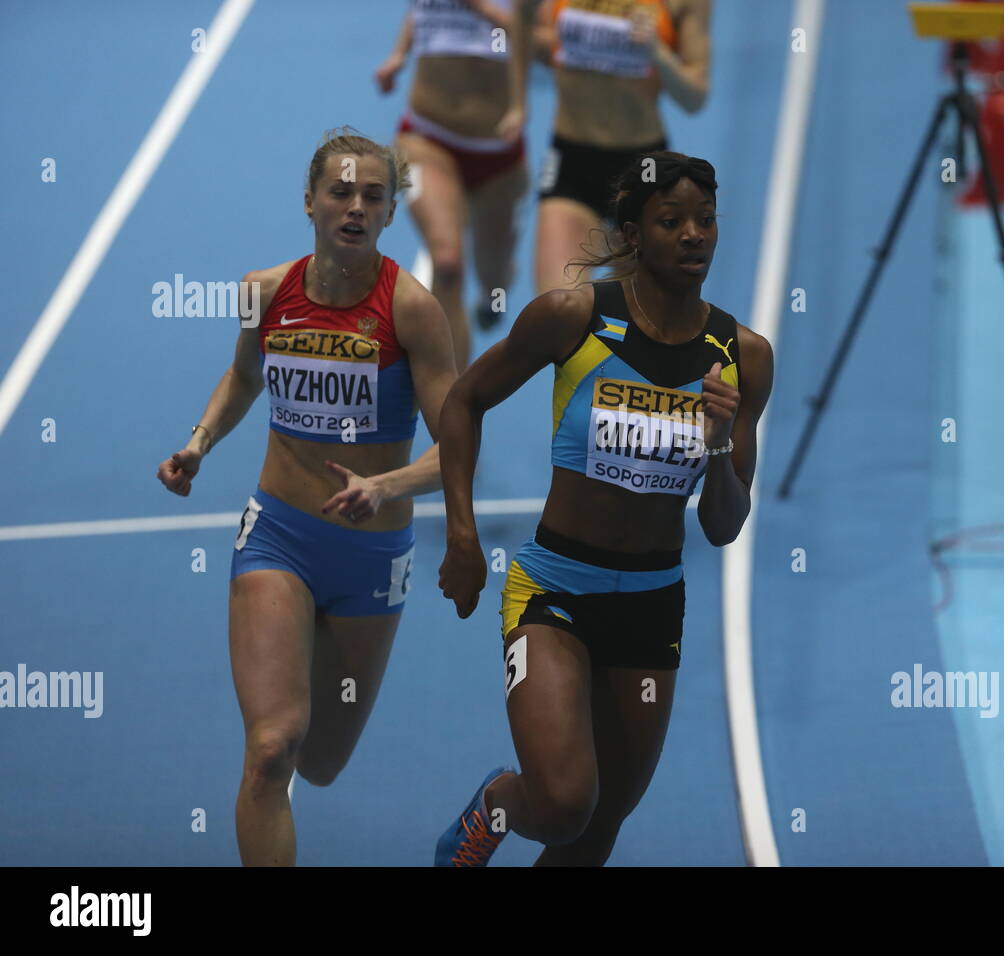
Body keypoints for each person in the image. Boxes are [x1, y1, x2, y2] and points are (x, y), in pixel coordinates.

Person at [434, 151, 773, 866]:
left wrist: (716, 448)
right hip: (556, 589)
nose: (694, 236)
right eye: (671, 220)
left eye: (706, 221)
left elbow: (722, 526)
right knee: (561, 805)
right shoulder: (574, 317)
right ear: (631, 233)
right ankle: (497, 802)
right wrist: (462, 538)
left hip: (652, 604)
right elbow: (464, 401)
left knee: (596, 832)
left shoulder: (743, 356)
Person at [156, 129, 457, 866]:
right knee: (271, 749)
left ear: (390, 212)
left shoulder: (411, 311)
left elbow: (460, 449)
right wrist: (198, 441)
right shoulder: (266, 292)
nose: (355, 206)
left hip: (372, 555)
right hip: (278, 536)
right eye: (340, 192)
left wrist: (384, 484)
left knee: (321, 762)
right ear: (310, 202)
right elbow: (244, 378)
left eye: (373, 195)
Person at [502, 0, 711, 295]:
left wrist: (658, 54)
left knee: (635, 323)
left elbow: (695, 97)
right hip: (571, 162)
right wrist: (517, 103)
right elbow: (523, 14)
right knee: (558, 307)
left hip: (643, 174)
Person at [376, 0, 528, 371]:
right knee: (447, 264)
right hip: (428, 137)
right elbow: (421, 12)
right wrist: (398, 54)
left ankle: (496, 288)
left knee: (492, 276)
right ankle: (452, 403)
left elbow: (541, 43)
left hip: (498, 153)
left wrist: (484, 9)